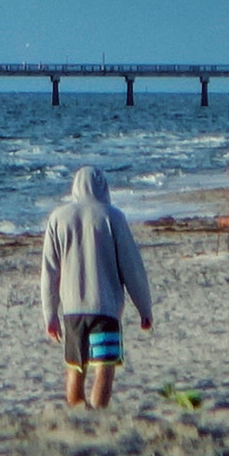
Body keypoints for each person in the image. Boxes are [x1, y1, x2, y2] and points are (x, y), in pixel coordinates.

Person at [41, 167, 153, 409]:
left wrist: (49, 314)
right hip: (106, 308)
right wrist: (144, 308)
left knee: (75, 367)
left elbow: (50, 272)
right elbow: (131, 266)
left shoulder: (58, 218)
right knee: (104, 368)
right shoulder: (112, 216)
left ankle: (79, 415)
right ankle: (97, 417)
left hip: (72, 309)